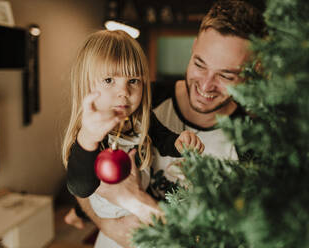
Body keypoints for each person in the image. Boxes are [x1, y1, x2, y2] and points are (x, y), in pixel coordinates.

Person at [64, 0, 267, 247]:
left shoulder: (254, 145)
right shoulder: (140, 101)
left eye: (226, 75)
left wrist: (136, 201)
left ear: (254, 70)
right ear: (193, 48)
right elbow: (81, 177)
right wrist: (105, 222)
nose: (205, 85)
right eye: (199, 64)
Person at [62, 30, 204, 247]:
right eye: (109, 80)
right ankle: (77, 213)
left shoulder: (141, 120)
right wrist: (88, 138)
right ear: (86, 85)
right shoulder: (89, 134)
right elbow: (81, 187)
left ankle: (77, 213)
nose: (124, 92)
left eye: (133, 80)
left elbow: (162, 137)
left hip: (141, 211)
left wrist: (178, 143)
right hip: (114, 226)